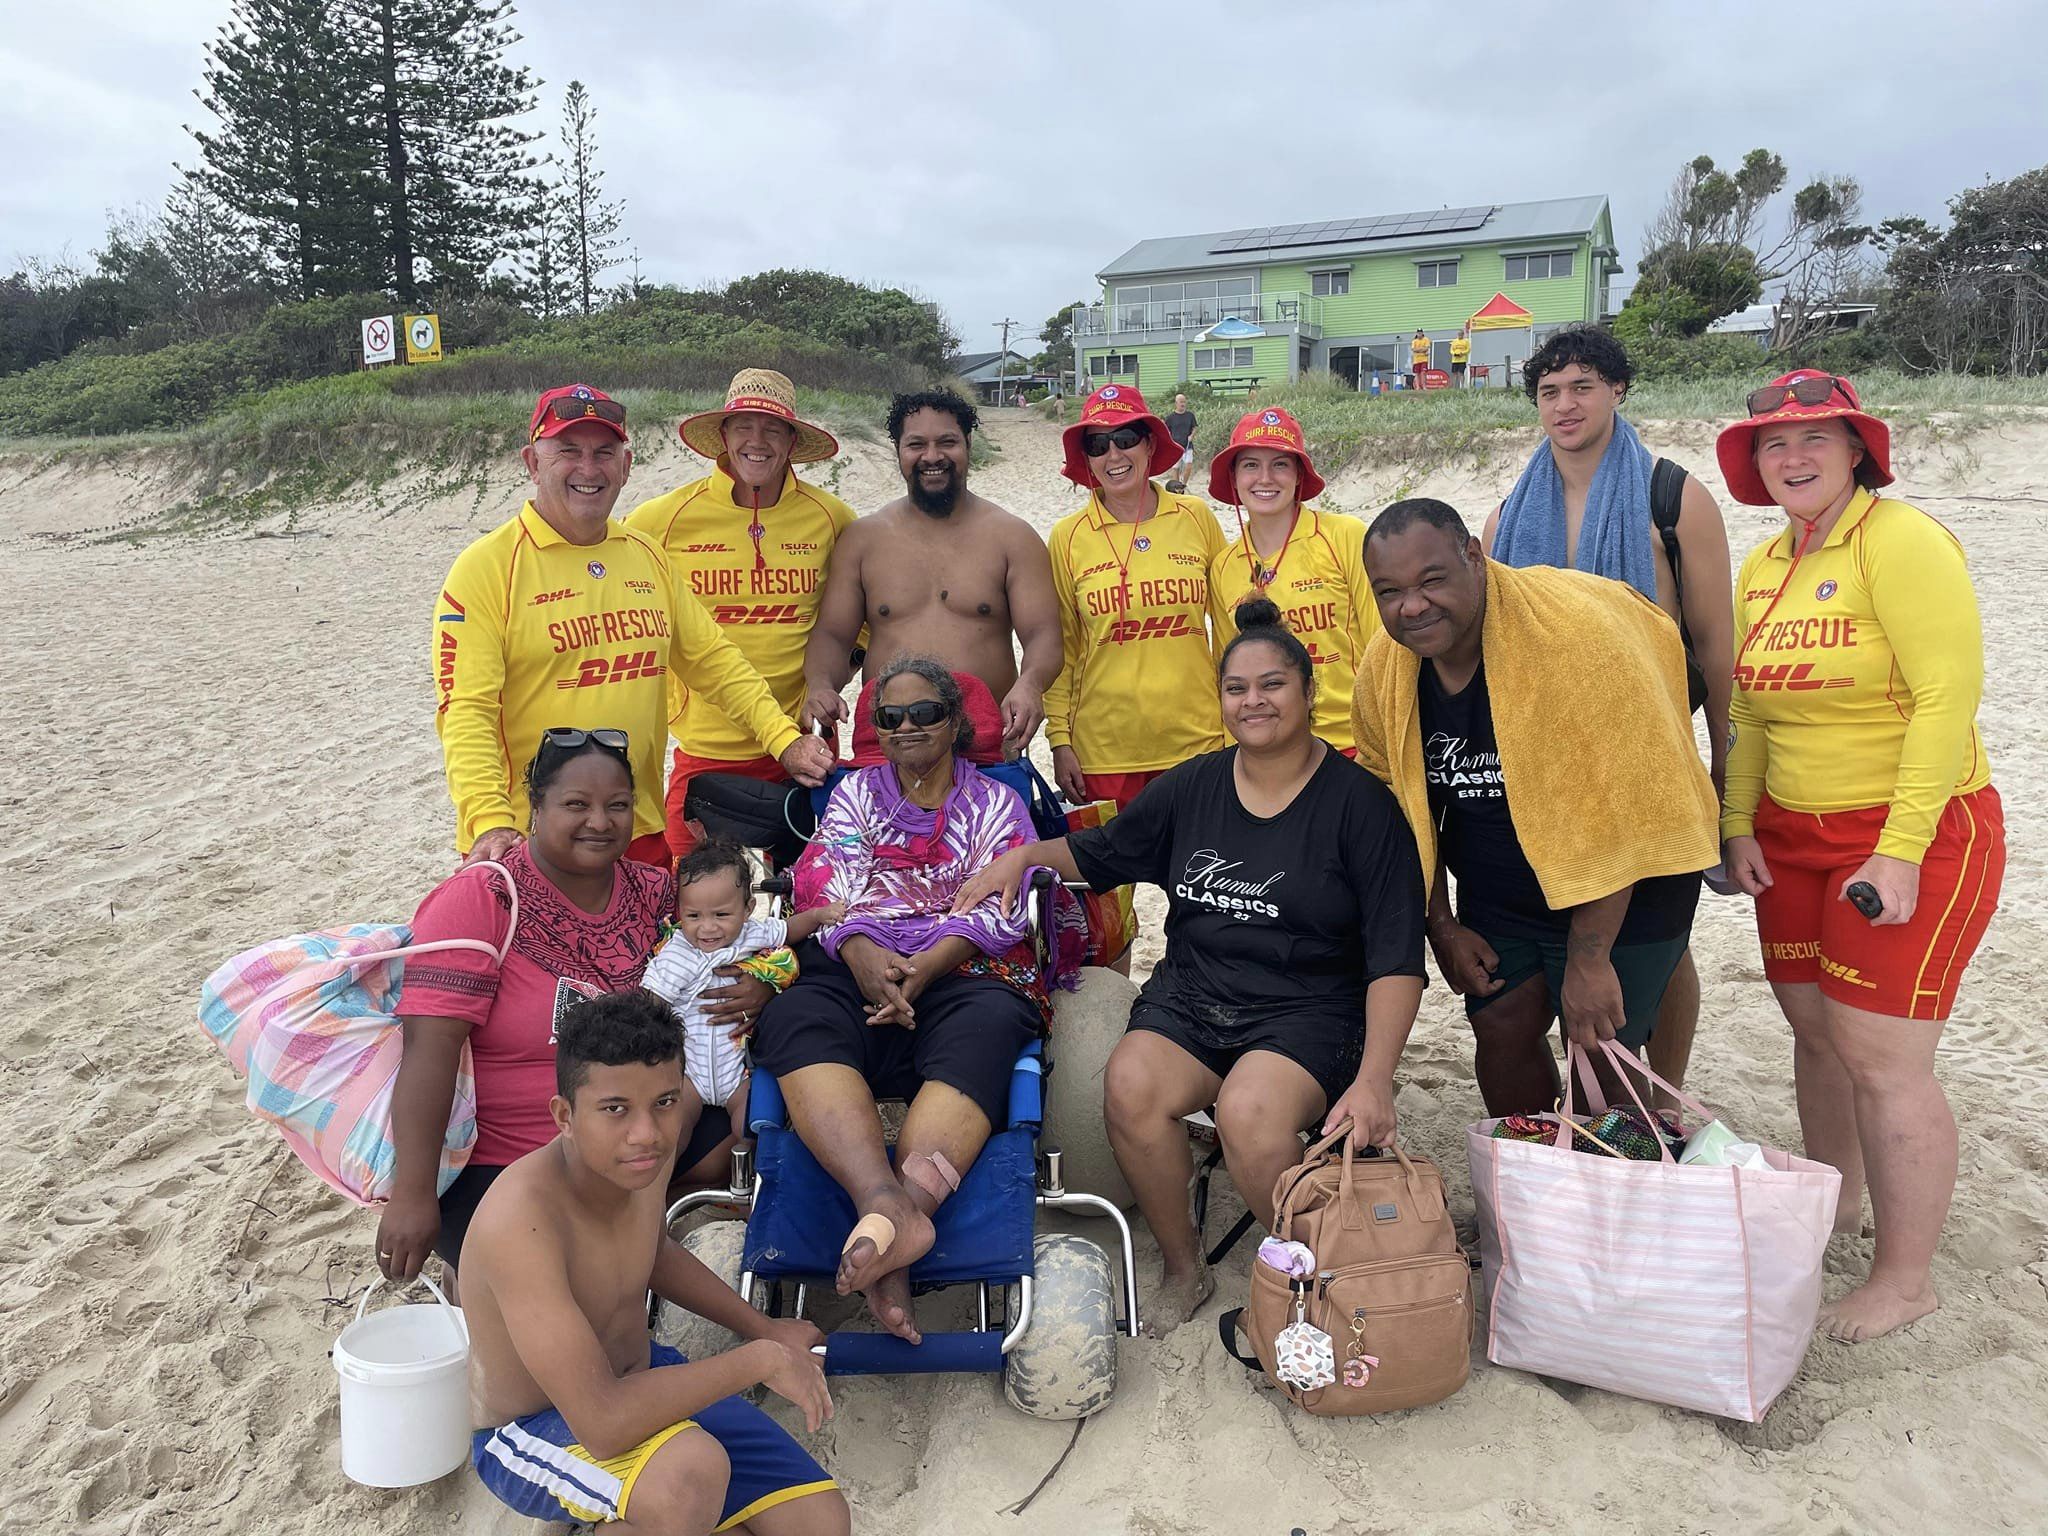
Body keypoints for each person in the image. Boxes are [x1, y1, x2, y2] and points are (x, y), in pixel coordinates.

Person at [956, 597, 1427, 1332]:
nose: (1254, 701)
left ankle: (1313, 1279)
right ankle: (1184, 1266)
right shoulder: (1195, 785)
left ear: (1307, 693)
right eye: (1237, 688)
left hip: (1309, 1010)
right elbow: (1099, 855)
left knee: (1249, 1112)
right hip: (1195, 997)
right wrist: (1019, 857)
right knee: (1132, 1084)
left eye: (1273, 685)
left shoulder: (1360, 807)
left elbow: (1398, 956)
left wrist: (1373, 1083)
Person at [1716, 372, 2004, 1343]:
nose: (1790, 457)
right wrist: (1735, 822)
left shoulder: (1901, 542)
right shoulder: (1762, 564)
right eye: (1770, 444)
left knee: (1882, 1059)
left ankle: (1903, 1277)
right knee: (1812, 1030)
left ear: (1854, 450)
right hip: (1792, 835)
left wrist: (1897, 851)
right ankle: (1834, 1202)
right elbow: (1749, 709)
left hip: (1910, 831)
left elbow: (1942, 700)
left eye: (1813, 438)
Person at [1357, 498, 1719, 1118]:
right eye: (1389, 591)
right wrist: (1439, 924)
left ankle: (1607, 1190)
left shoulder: (1577, 641)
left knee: (1604, 1061)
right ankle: (1526, 1187)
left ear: (1475, 553)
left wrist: (1589, 958)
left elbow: (1629, 807)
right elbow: (1397, 808)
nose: (1411, 606)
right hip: (1502, 890)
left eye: (1432, 580)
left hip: (1632, 883)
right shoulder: (1386, 671)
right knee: (1501, 1028)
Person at [750, 659, 1058, 1343]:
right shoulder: (854, 795)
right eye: (890, 717)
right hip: (856, 957)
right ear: (877, 731)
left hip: (962, 965)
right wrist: (861, 952)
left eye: (925, 713)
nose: (908, 726)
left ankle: (893, 1232)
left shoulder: (994, 805)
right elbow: (825, 884)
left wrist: (926, 965)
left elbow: (1005, 906)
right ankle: (885, 1204)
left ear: (955, 723)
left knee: (990, 1028)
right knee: (794, 1014)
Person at [462, 989, 849, 1535]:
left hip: (641, 1380)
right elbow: (601, 1422)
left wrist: (765, 1328)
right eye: (615, 1108)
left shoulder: (638, 1163)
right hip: (536, 1427)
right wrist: (758, 1360)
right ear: (565, 1116)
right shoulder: (521, 1222)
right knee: (689, 1476)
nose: (646, 1134)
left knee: (820, 1523)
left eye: (665, 1102)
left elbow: (651, 1252)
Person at [1483, 325, 1735, 1099]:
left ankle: (1663, 1090)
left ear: (1618, 390)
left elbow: (1718, 648)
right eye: (1550, 391)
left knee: (1665, 941)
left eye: (1584, 386)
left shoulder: (1673, 498)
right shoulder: (1504, 519)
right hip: (1544, 763)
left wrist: (1726, 770)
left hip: (1651, 756)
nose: (1565, 405)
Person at [433, 384, 833, 870]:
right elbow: (466, 711)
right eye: (568, 451)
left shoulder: (646, 556)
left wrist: (784, 740)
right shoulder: (486, 568)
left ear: (625, 466)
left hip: (638, 829)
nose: (588, 468)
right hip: (531, 838)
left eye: (604, 452)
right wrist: (490, 819)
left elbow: (715, 662)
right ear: (532, 464)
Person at [378, 731, 683, 1286]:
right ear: (534, 808)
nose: (601, 821)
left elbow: (720, 955)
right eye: (576, 805)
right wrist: (413, 1195)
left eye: (618, 805)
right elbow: (429, 1048)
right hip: (507, 1162)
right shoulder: (481, 900)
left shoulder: (655, 892)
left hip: (640, 1140)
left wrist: (754, 984)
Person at [626, 370, 858, 859]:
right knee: (688, 900)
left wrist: (830, 681)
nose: (757, 441)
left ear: (792, 441)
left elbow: (865, 620)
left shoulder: (832, 518)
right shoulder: (659, 520)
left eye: (772, 429)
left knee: (812, 896)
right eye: (743, 427)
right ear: (724, 437)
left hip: (804, 744)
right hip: (708, 746)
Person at [800, 390, 1061, 762]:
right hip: (887, 745)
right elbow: (832, 635)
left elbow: (1043, 635)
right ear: (898, 451)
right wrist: (821, 684)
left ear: (969, 444)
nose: (932, 456)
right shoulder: (863, 540)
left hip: (983, 745)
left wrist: (1031, 684)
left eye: (947, 442)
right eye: (916, 444)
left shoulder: (1013, 537)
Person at [1045, 383, 1227, 814]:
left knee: (1199, 879)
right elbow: (1062, 649)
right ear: (1086, 458)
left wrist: (1235, 731)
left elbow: (1230, 628)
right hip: (1104, 752)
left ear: (1148, 444)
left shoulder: (1195, 517)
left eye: (1126, 439)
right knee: (1104, 882)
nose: (1114, 455)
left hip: (1198, 745)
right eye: (1098, 444)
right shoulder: (1067, 537)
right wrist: (1058, 741)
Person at [642, 837, 845, 1152]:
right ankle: (658, 1186)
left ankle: (745, 1171)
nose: (707, 928)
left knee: (748, 1123)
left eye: (721, 915)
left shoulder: (752, 933)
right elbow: (652, 1002)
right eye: (694, 916)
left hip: (737, 1068)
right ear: (681, 910)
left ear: (748, 908)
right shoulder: (678, 952)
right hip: (689, 1070)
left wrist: (818, 916)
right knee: (674, 1126)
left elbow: (788, 930)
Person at [1207, 406, 1380, 756]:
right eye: (1251, 465)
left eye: (1280, 464)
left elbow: (1384, 644)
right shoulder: (1224, 566)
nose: (1265, 478)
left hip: (1353, 743)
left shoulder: (1344, 537)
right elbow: (1229, 673)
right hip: (1272, 752)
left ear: (1299, 475)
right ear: (1234, 477)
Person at [1164, 391, 1198, 488]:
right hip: (1175, 446)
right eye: (1181, 402)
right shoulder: (1170, 417)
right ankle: (1177, 486)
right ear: (1176, 403)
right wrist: (1169, 440)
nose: (1183, 404)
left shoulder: (1190, 415)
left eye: (1184, 401)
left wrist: (1192, 436)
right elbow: (1165, 430)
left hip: (1188, 445)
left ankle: (1184, 484)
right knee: (1175, 468)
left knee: (1189, 465)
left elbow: (1195, 427)